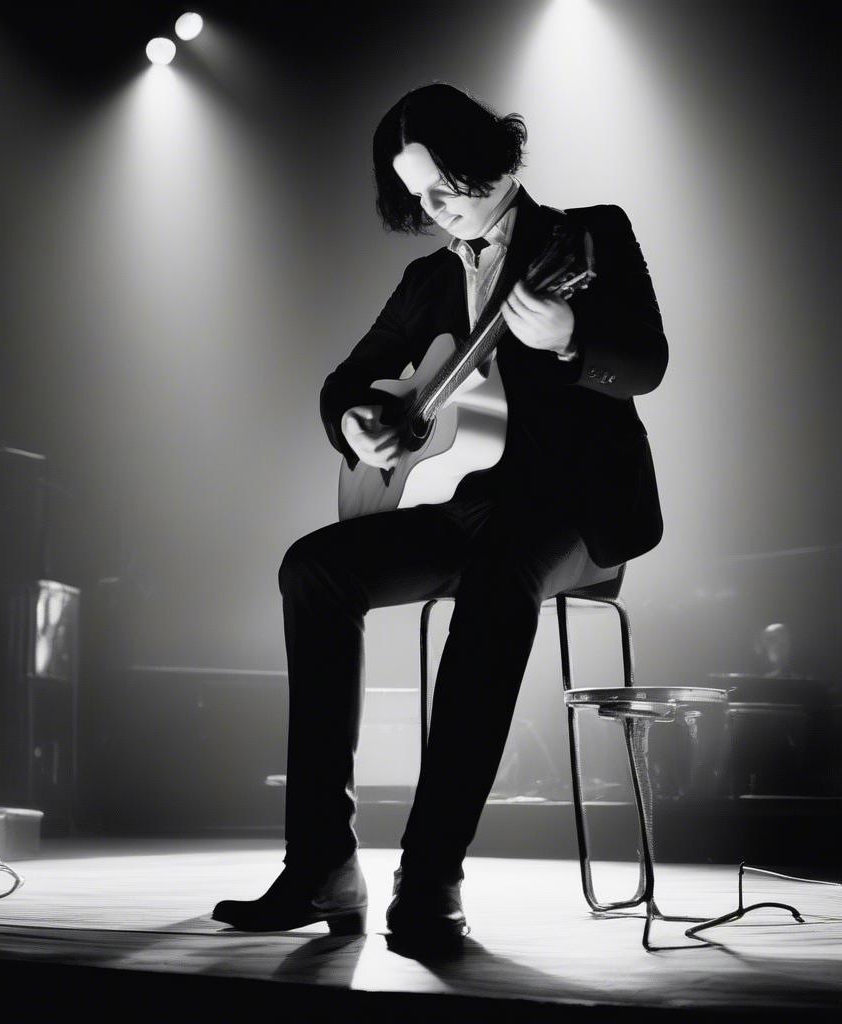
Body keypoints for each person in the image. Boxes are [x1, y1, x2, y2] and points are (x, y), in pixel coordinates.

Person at [213, 82, 667, 948]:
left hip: (572, 515)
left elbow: (646, 361)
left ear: (487, 157)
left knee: (503, 575)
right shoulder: (427, 278)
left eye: (442, 188)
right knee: (313, 566)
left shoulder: (586, 235)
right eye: (415, 196)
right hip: (459, 503)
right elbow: (347, 382)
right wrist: (356, 422)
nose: (431, 209)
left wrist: (568, 336)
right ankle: (320, 865)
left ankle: (430, 876)